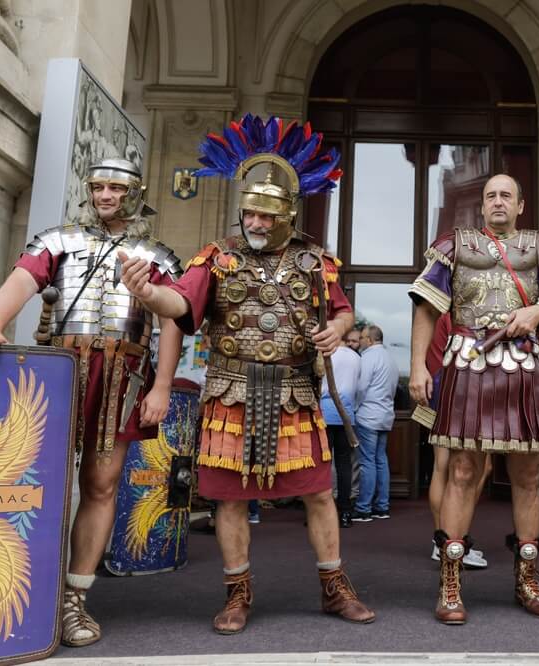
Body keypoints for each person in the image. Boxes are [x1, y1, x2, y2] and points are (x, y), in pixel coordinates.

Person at [118, 114, 375, 634]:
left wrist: (337, 328)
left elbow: (343, 311)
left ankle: (334, 585)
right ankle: (237, 593)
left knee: (320, 492)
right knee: (229, 497)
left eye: (265, 217)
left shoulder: (316, 262)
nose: (255, 224)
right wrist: (147, 293)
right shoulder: (216, 259)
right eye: (249, 215)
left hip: (296, 392)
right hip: (231, 392)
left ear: (288, 215)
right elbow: (180, 304)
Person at [0, 158, 184, 647]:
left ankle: (73, 598)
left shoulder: (156, 255)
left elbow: (174, 321)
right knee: (37, 480)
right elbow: (22, 281)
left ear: (135, 192)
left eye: (115, 187)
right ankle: (25, 586)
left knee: (102, 484)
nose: (105, 195)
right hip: (62, 370)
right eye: (98, 186)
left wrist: (163, 385)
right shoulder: (58, 240)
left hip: (124, 375)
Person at [409, 173, 539, 624]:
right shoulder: (453, 245)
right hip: (467, 363)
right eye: (490, 196)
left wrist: (538, 310)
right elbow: (426, 308)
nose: (498, 202)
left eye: (506, 195)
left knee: (527, 474)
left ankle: (527, 579)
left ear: (521, 204)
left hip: (524, 368)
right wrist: (419, 367)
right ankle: (450, 582)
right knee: (462, 470)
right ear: (481, 206)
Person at [425, 313, 489, 568]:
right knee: (467, 469)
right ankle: (453, 539)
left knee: (443, 468)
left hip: (443, 385)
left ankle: (443, 540)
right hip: (464, 386)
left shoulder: (443, 313)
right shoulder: (463, 312)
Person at [352, 325, 399, 522]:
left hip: (368, 415)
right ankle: (382, 506)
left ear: (370, 340)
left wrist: (355, 406)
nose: (360, 341)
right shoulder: (391, 359)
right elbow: (394, 388)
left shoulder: (368, 357)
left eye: (362, 337)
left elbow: (361, 386)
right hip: (385, 414)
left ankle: (363, 508)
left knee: (367, 461)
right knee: (380, 459)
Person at [320, 335, 362, 527]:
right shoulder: (356, 357)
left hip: (324, 413)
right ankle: (345, 512)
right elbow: (360, 389)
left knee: (323, 465)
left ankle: (320, 512)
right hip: (346, 415)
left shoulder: (326, 353)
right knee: (345, 464)